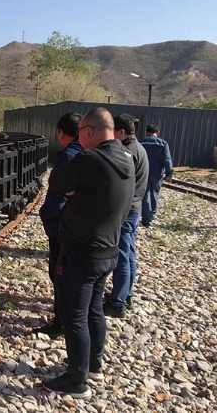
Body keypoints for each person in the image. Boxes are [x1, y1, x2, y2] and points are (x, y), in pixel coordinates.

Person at [42, 108, 135, 399]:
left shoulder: (89, 159)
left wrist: (73, 193)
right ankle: (94, 365)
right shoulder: (128, 158)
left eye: (81, 132)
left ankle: (76, 381)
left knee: (75, 315)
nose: (79, 138)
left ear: (91, 131)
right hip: (109, 249)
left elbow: (56, 182)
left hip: (82, 250)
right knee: (94, 309)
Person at [34, 113, 83, 338]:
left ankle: (61, 322)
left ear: (61, 133)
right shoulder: (90, 152)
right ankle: (71, 316)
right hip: (83, 228)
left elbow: (56, 199)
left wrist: (46, 218)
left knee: (60, 274)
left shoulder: (69, 157)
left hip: (63, 229)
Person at [104, 114, 149, 318]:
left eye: (114, 132)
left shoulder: (127, 152)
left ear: (122, 132)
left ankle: (118, 303)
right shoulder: (140, 148)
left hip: (126, 210)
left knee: (122, 255)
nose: (112, 136)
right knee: (129, 254)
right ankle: (126, 294)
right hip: (135, 208)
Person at [139, 124, 173, 227]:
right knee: (154, 194)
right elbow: (167, 159)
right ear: (157, 133)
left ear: (147, 132)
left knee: (145, 195)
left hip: (144, 173)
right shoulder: (163, 144)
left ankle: (146, 218)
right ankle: (152, 215)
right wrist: (169, 173)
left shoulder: (141, 143)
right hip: (157, 174)